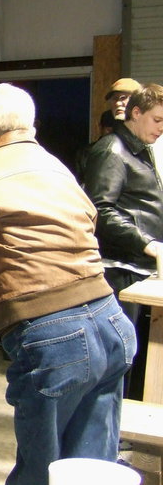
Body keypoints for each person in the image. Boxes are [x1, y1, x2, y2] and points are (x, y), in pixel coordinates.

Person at [0, 83, 135, 485]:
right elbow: (89, 221)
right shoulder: (56, 166)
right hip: (111, 320)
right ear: (32, 126)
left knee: (39, 473)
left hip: (52, 334)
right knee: (90, 472)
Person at [83, 83, 163, 400]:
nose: (161, 128)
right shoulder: (112, 150)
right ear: (136, 112)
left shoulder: (143, 150)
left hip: (140, 271)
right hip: (120, 272)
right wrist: (148, 244)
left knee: (139, 360)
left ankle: (123, 433)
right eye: (157, 120)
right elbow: (100, 209)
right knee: (119, 361)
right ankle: (109, 438)